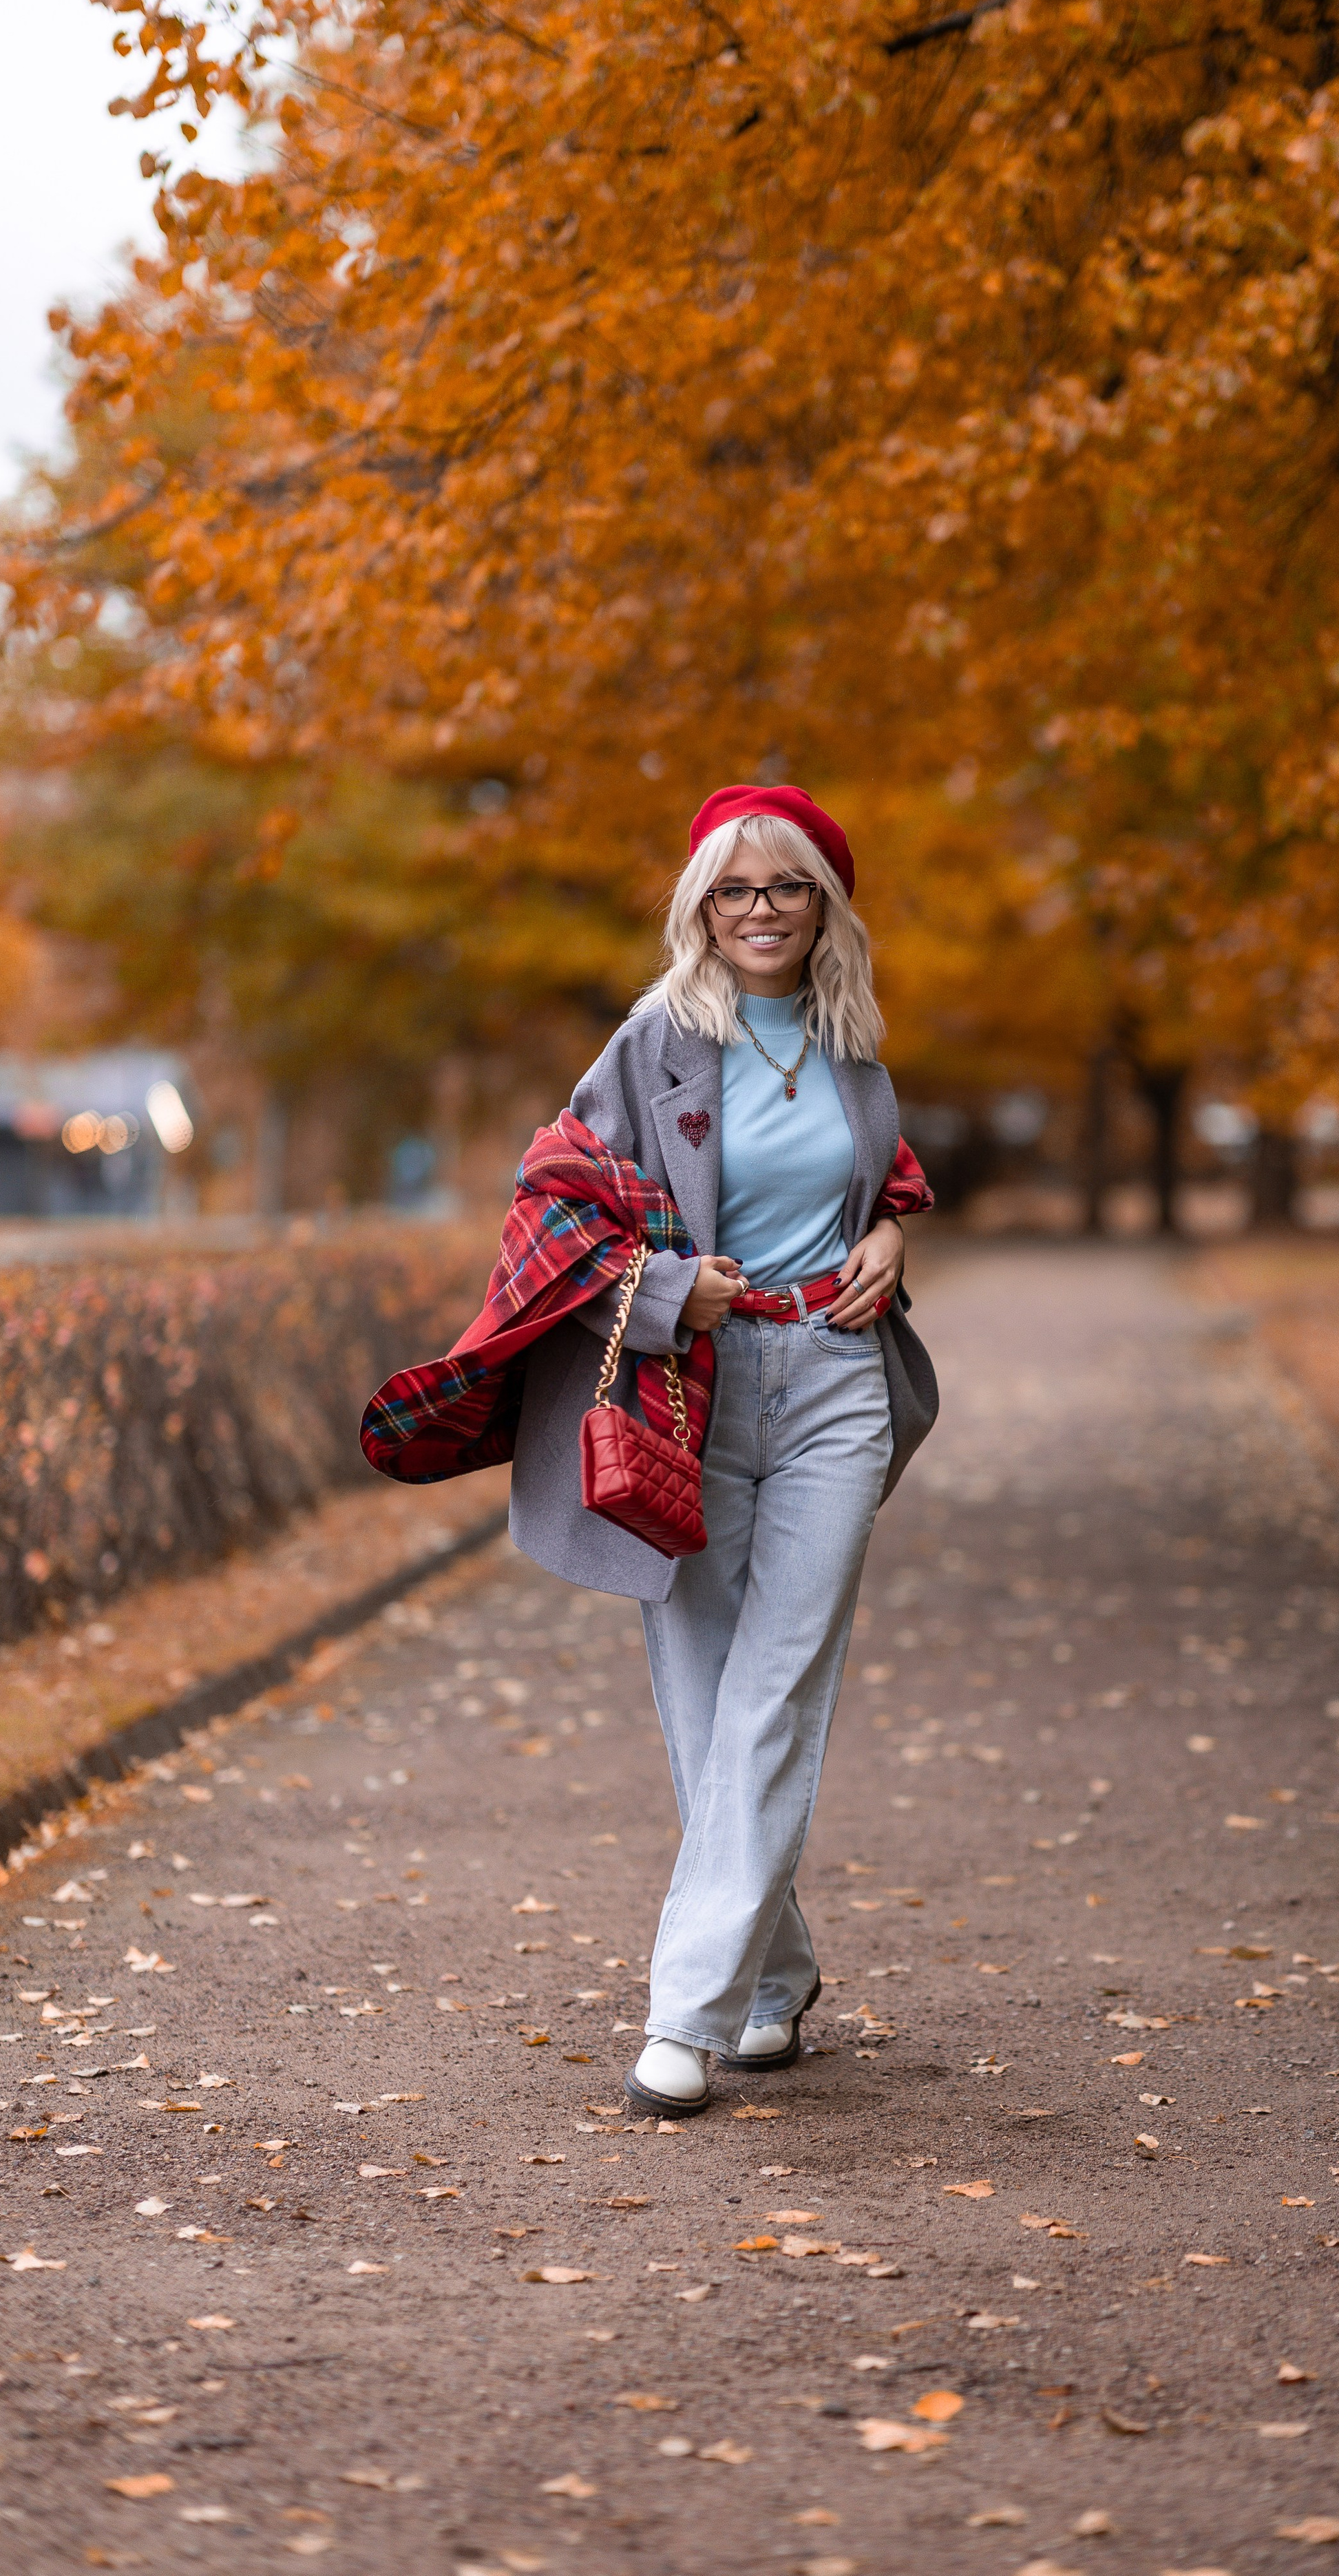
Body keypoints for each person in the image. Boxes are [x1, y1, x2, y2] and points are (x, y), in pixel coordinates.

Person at [507, 783, 938, 2116]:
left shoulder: (850, 1040)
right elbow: (555, 1201)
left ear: (825, 906)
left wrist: (888, 1238)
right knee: (705, 1699)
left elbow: (874, 1174)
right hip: (693, 1390)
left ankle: (682, 2016)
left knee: (777, 1683)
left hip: (836, 1388)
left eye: (786, 888)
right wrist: (657, 1293)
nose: (759, 911)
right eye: (735, 890)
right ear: (701, 906)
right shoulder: (656, 1042)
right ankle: (773, 1976)